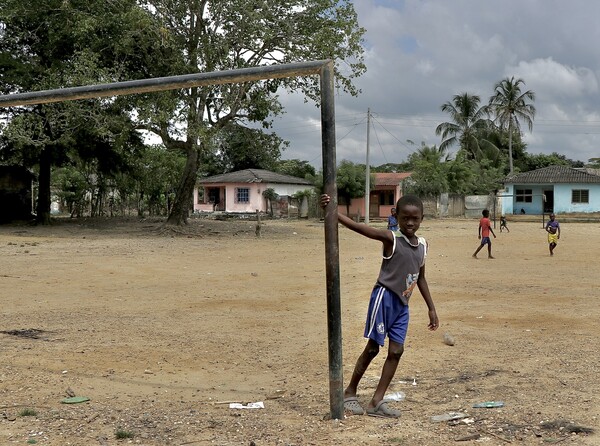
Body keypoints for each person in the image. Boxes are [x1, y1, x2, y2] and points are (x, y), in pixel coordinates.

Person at [320, 193, 439, 418]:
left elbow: (420, 278)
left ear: (422, 218)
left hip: (402, 305)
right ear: (396, 217)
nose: (410, 223)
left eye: (415, 219)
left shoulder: (423, 245)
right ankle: (349, 392)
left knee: (397, 351)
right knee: (373, 348)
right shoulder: (391, 239)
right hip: (384, 299)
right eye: (405, 218)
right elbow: (363, 229)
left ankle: (376, 402)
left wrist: (431, 308)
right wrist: (334, 213)